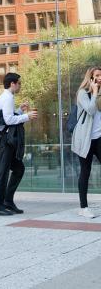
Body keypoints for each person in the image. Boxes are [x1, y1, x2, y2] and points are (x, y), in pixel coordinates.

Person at [0, 72, 37, 216]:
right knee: (2, 173)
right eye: (19, 83)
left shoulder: (5, 97)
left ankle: (7, 201)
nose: (20, 86)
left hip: (6, 139)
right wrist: (26, 117)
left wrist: (19, 110)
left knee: (18, 169)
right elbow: (9, 120)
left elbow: (6, 117)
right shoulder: (8, 97)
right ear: (12, 84)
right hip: (6, 140)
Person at [71, 66, 101, 218]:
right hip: (86, 139)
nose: (100, 78)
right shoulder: (82, 93)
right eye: (97, 75)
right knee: (85, 172)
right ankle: (83, 207)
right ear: (90, 78)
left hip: (99, 138)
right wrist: (95, 92)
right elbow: (90, 110)